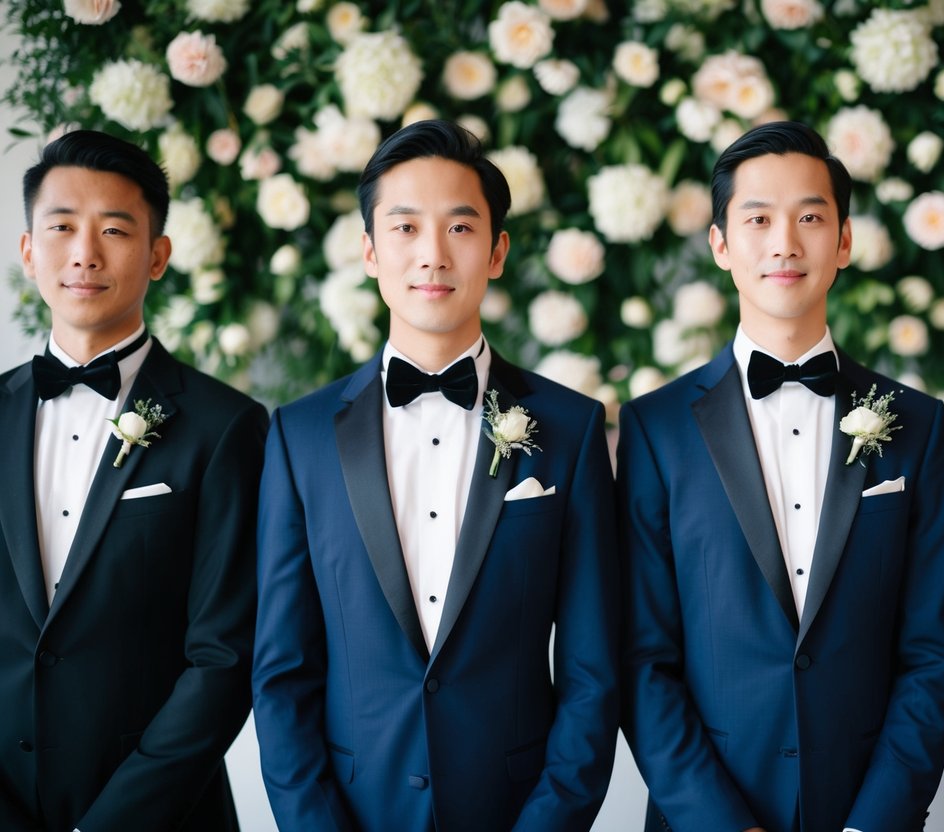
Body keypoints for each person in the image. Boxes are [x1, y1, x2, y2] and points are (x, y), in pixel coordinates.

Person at [251, 119, 618, 832]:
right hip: (354, 810)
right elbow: (282, 674)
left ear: (497, 251)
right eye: (405, 228)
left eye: (458, 229)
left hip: (513, 810)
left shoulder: (570, 430)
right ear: (367, 250)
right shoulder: (299, 436)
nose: (431, 255)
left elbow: (592, 672)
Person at [616, 121, 944, 832]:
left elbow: (931, 651)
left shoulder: (918, 425)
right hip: (706, 814)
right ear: (719, 244)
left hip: (867, 809)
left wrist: (876, 822)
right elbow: (642, 658)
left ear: (843, 242)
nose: (784, 242)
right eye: (758, 219)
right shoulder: (655, 428)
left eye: (809, 217)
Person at [0, 130, 265, 831]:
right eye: (61, 228)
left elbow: (224, 655)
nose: (84, 253)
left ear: (157, 256)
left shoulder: (226, 427)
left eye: (114, 230)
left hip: (164, 817)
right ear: (29, 252)